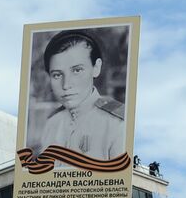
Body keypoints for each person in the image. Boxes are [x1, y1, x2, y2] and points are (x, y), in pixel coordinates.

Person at [34, 30, 125, 160]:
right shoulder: (52, 124)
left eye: (77, 70)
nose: (66, 85)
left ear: (96, 68)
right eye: (57, 75)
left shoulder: (118, 124)